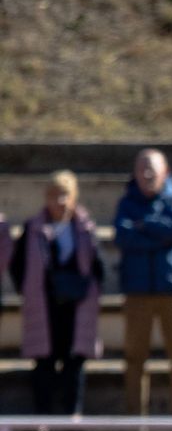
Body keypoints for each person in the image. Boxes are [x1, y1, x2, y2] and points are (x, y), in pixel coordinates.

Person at [7, 172, 104, 415]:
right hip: (45, 306)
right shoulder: (32, 228)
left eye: (65, 195)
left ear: (74, 198)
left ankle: (72, 416)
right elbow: (17, 265)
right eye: (54, 195)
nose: (60, 201)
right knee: (44, 363)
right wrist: (29, 291)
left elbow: (97, 267)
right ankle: (43, 417)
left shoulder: (85, 228)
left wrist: (87, 293)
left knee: (75, 363)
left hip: (77, 307)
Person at [114, 150, 172, 416]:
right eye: (142, 170)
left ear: (166, 173)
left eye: (152, 170)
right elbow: (124, 237)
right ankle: (135, 418)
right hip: (137, 291)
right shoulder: (126, 203)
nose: (147, 175)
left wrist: (145, 225)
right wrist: (160, 235)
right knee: (135, 359)